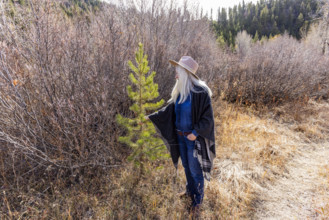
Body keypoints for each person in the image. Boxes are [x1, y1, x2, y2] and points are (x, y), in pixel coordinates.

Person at [146, 56, 216, 216]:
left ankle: (198, 202)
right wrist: (151, 117)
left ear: (185, 72)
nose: (175, 71)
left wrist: (195, 133)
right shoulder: (180, 91)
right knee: (186, 166)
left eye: (178, 68)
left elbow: (208, 119)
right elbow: (169, 110)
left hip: (192, 139)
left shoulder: (200, 92)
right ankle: (189, 191)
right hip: (180, 138)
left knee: (195, 170)